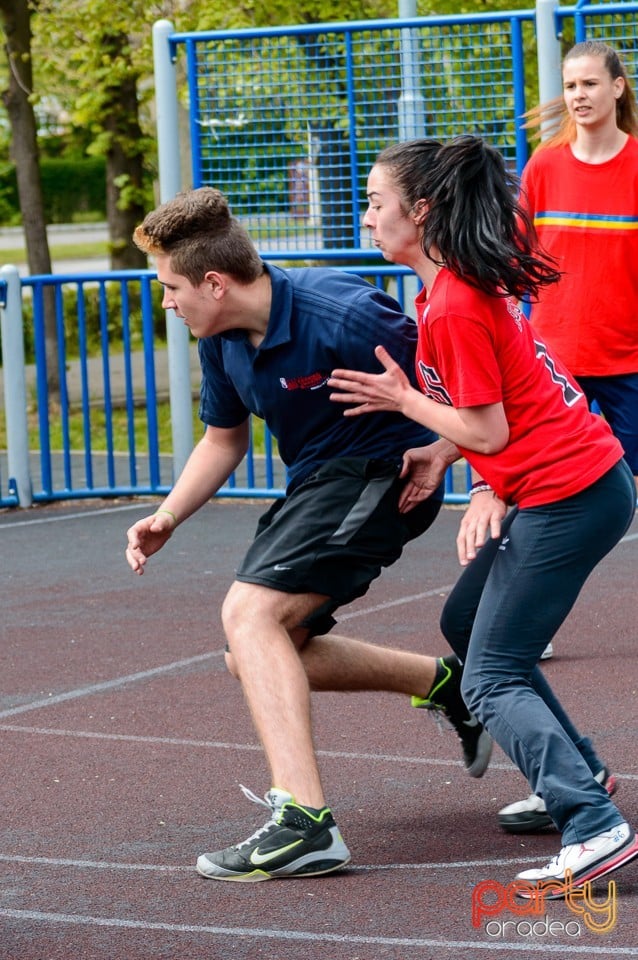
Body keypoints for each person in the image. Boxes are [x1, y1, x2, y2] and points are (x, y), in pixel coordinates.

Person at [124, 186, 493, 883]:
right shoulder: (223, 340)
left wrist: (466, 469)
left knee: (250, 613)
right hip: (320, 486)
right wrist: (168, 515)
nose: (166, 303)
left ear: (214, 283)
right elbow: (223, 438)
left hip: (386, 473)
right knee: (257, 652)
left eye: (171, 288)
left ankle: (305, 823)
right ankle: (447, 686)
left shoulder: (345, 315)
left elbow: (468, 381)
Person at [327, 135, 638, 892]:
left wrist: (406, 402)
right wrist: (455, 463)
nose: (367, 218)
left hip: (572, 493)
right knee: (469, 625)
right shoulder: (450, 291)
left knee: (489, 677)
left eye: (375, 203)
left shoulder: (456, 304)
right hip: (575, 483)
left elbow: (490, 429)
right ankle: (582, 769)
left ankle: (594, 827)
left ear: (422, 211)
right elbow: (510, 409)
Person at [520, 40, 638, 496]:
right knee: (550, 481)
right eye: (571, 85)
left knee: (625, 483)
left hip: (628, 357)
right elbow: (513, 258)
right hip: (555, 358)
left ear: (618, 87)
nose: (578, 94)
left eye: (590, 83)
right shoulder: (544, 166)